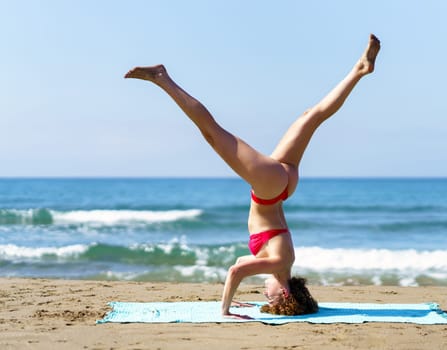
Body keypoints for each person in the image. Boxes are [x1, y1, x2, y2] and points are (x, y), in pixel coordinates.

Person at [125, 34, 381, 319]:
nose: (264, 294)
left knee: (312, 116)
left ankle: (360, 70)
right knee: (212, 133)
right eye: (270, 296)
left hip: (284, 185)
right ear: (285, 293)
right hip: (269, 186)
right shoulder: (277, 262)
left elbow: (239, 261)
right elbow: (236, 271)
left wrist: (235, 300)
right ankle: (162, 78)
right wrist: (225, 310)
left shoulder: (281, 264)